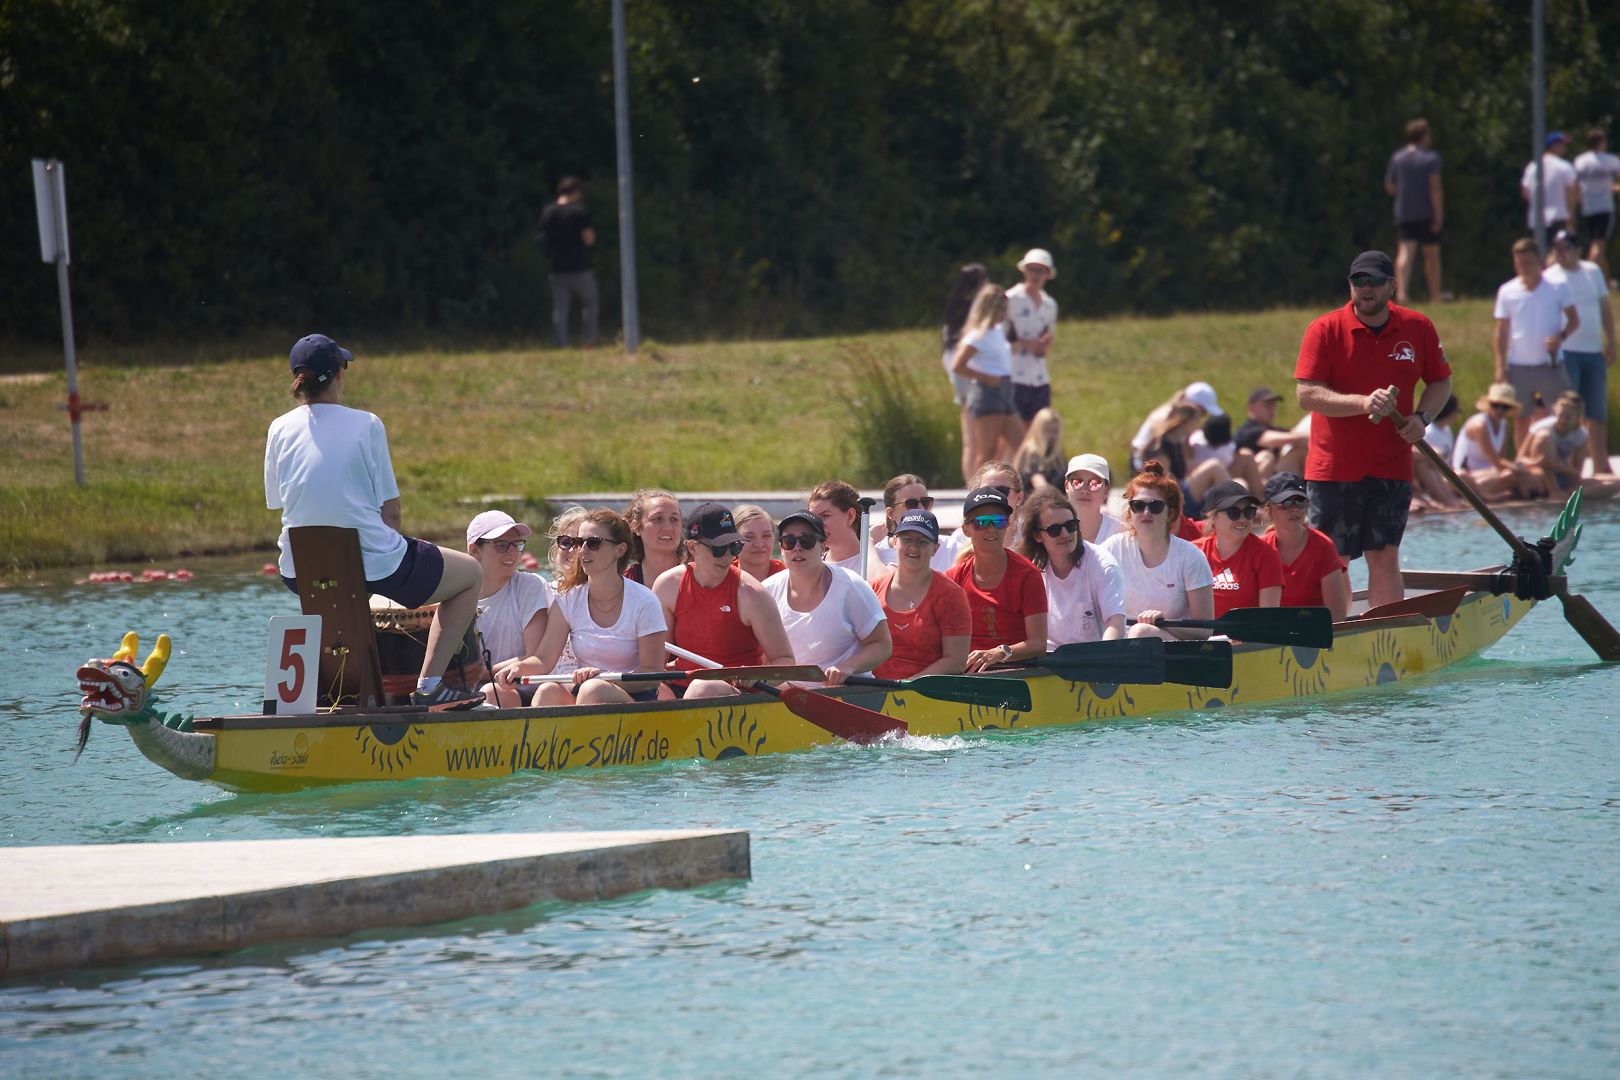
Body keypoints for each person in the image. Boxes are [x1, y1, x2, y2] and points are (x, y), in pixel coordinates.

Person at [265, 334, 483, 709]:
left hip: (300, 568)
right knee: (470, 575)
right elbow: (391, 513)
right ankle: (429, 686)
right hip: (369, 561)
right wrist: (388, 559)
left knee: (352, 584)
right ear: (339, 373)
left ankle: (338, 694)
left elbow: (279, 502)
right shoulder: (367, 424)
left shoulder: (278, 428)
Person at [1294, 250, 1453, 609]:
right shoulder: (1324, 329)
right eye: (1358, 281)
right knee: (1334, 559)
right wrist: (1364, 403)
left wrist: (1422, 418)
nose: (1366, 288)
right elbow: (1307, 395)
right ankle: (1334, 631)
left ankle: (1388, 631)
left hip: (1392, 464)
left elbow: (1441, 382)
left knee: (1384, 554)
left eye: (1375, 281)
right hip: (1334, 468)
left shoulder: (1418, 327)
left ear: (1391, 285)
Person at [499, 510, 667, 707]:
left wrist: (604, 679)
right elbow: (543, 660)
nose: (582, 550)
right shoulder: (568, 599)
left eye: (594, 543)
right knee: (547, 691)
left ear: (620, 550)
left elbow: (652, 674)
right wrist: (519, 668)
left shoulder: (645, 601)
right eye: (579, 543)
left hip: (635, 700)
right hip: (585, 692)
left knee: (592, 689)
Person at [652, 503, 796, 699]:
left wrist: (758, 676)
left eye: (733, 546)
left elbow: (785, 661)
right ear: (692, 547)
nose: (728, 555)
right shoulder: (667, 586)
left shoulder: (752, 594)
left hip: (736, 692)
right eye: (719, 548)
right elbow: (656, 662)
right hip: (680, 687)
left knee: (701, 689)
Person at [763, 510, 890, 686]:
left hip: (847, 692)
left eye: (807, 541)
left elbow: (882, 645)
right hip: (788, 694)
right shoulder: (766, 591)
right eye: (789, 541)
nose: (797, 547)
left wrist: (848, 667)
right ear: (781, 548)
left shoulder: (852, 586)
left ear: (823, 546)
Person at [1099, 464, 1215, 639]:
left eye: (1155, 506)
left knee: (1141, 631)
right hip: (1122, 645)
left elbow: (1204, 630)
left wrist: (1164, 623)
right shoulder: (1112, 549)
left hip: (1174, 647)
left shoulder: (1191, 557)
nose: (1146, 512)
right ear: (1130, 511)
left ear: (1170, 512)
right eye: (1138, 505)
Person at [946, 487, 1048, 671]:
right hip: (964, 675)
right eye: (982, 522)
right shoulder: (954, 578)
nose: (992, 528)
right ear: (966, 529)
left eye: (999, 521)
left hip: (1014, 674)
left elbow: (1038, 644)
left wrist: (999, 653)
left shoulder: (1028, 575)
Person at [1494, 237, 1578, 446]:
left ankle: (1562, 457)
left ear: (1539, 261)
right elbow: (1501, 332)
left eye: (1528, 263)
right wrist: (1500, 367)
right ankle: (1524, 461)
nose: (1523, 268)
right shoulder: (1507, 291)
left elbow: (1574, 320)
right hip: (1518, 365)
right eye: (1519, 263)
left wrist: (1560, 338)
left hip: (1550, 364)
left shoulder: (1557, 287)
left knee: (1562, 413)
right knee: (1520, 418)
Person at [869, 510, 972, 680]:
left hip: (925, 692)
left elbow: (955, 661)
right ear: (894, 542)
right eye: (907, 539)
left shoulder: (952, 595)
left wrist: (907, 685)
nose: (913, 547)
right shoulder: (873, 589)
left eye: (922, 542)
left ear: (935, 548)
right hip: (871, 689)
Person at [1015, 488, 1125, 646]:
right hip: (1045, 657)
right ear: (1037, 536)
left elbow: (1115, 624)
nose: (1065, 533)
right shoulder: (1031, 569)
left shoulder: (1103, 565)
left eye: (1071, 525)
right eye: (1054, 530)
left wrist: (1104, 654)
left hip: (1092, 657)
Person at [1543, 228, 1615, 465]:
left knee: (1597, 411)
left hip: (1593, 351)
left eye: (1565, 248)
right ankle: (1568, 465)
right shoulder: (1550, 275)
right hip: (1567, 352)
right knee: (1569, 410)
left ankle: (1600, 462)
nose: (1561, 253)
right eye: (1557, 249)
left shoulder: (1592, 271)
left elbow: (1604, 307)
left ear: (1578, 250)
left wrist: (1611, 342)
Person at [466, 510, 551, 707]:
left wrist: (481, 673)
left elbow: (534, 656)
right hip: (474, 687)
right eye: (502, 545)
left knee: (489, 693)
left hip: (522, 685)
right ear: (475, 550)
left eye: (516, 544)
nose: (513, 552)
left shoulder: (530, 586)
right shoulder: (457, 595)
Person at [951, 283, 1023, 476]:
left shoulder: (998, 331)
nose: (1004, 314)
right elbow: (957, 365)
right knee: (988, 451)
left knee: (1021, 445)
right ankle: (977, 489)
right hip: (988, 392)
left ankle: (1017, 485)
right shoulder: (977, 335)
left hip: (1005, 391)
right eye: (1001, 309)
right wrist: (986, 378)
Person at [1257, 473, 1350, 621]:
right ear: (1269, 511)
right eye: (1285, 504)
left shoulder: (1323, 546)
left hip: (1314, 629)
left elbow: (1336, 616)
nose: (1295, 509)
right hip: (1275, 630)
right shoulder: (1260, 549)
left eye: (1300, 501)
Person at [1192, 482, 1284, 619]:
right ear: (1213, 517)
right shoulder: (1194, 552)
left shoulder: (1266, 555)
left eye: (1248, 512)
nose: (1242, 519)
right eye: (1233, 512)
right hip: (1200, 632)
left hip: (1247, 632)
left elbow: (1268, 619)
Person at [1384, 118, 1445, 303]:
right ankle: (1435, 294)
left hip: (1405, 212)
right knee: (1431, 254)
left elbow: (1390, 186)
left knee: (1405, 253)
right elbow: (1434, 187)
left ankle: (1402, 294)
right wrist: (1438, 215)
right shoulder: (1431, 158)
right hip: (1426, 212)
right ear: (1424, 136)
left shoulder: (1398, 158)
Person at [941, 263, 990, 484]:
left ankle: (971, 485)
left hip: (962, 382)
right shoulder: (976, 317)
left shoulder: (952, 317)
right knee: (980, 441)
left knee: (970, 440)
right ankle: (976, 485)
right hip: (976, 380)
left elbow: (948, 357)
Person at [1521, 391, 1620, 499]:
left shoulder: (1580, 435)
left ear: (1577, 417)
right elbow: (1520, 459)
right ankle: (1554, 491)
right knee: (1544, 436)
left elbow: (1576, 473)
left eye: (1568, 417)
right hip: (1539, 474)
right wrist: (1537, 462)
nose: (1563, 421)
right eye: (1561, 416)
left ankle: (1569, 494)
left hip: (1561, 473)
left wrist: (1557, 467)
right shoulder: (1542, 427)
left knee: (1615, 483)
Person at [537, 176, 598, 348]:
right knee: (590, 302)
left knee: (560, 309)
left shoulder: (548, 212)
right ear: (576, 191)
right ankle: (589, 341)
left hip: (556, 268)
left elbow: (542, 238)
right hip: (580, 267)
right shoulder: (579, 212)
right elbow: (588, 239)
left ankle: (561, 344)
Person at [1451, 383, 1535, 502]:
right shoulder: (1480, 425)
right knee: (1512, 476)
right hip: (1467, 475)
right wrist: (1521, 470)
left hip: (1491, 473)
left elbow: (1501, 459)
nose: (1499, 410)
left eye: (1505, 407)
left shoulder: (1504, 425)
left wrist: (1522, 469)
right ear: (1489, 405)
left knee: (1521, 475)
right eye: (1495, 405)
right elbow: (1497, 462)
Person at [869, 474, 965, 575]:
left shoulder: (951, 548)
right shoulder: (875, 552)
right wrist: (868, 541)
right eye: (911, 503)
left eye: (926, 502)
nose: (921, 509)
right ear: (891, 513)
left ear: (935, 548)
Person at [1006, 248, 1058, 422]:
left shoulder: (1050, 304)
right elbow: (1001, 336)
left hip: (1039, 377)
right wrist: (1027, 344)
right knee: (1012, 431)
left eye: (1040, 270)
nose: (1035, 275)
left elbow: (1047, 336)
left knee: (1038, 430)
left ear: (1048, 274)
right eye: (1032, 269)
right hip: (1013, 375)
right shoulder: (1010, 299)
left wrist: (1045, 344)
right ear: (1024, 271)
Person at [1233, 387, 1308, 481]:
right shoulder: (1245, 431)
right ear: (1251, 408)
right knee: (1266, 457)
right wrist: (1309, 437)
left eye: (1273, 405)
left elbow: (1296, 435)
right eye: (1267, 405)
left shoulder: (1274, 430)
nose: (1272, 409)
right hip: (1251, 482)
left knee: (1299, 452)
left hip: (1271, 478)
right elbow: (1273, 439)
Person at [1574, 128, 1620, 277]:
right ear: (1602, 142)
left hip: (1587, 207)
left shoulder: (1580, 161)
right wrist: (1612, 188)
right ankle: (1585, 277)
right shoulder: (1611, 160)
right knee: (1598, 247)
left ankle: (1604, 283)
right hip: (1604, 207)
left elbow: (1575, 185)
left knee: (1598, 247)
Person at [1414, 394, 1468, 510]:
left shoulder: (1447, 430)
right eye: (1457, 412)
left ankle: (1449, 498)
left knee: (1462, 475)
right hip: (1429, 475)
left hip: (1440, 474)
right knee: (1426, 463)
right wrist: (1436, 454)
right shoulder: (1429, 431)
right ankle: (1445, 499)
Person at [1522, 132, 1580, 236]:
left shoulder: (1532, 166)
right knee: (1560, 246)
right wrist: (1570, 213)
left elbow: (1525, 191)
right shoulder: (1564, 166)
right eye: (1562, 145)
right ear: (1554, 146)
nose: (1564, 148)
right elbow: (1571, 189)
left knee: (1539, 245)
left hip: (1536, 219)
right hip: (1558, 217)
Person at [624, 488, 684, 585]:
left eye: (674, 519)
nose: (668, 527)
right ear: (636, 527)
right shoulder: (624, 584)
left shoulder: (700, 578)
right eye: (657, 519)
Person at [1064, 452, 1124, 546]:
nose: (1085, 490)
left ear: (1106, 490)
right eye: (1077, 482)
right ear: (1067, 486)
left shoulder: (1122, 533)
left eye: (1095, 483)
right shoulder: (1052, 531)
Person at [808, 479, 866, 573]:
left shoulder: (879, 558)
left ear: (850, 516)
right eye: (813, 517)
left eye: (825, 515)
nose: (816, 524)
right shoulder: (811, 566)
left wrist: (869, 542)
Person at [1011, 406, 1066, 493]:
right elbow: (1038, 482)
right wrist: (1054, 497)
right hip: (1034, 496)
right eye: (1048, 431)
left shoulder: (1056, 453)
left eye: (1055, 431)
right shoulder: (1032, 452)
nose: (1052, 436)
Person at [733, 503, 786, 582]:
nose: (759, 544)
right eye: (749, 537)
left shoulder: (789, 579)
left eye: (766, 536)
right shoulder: (720, 577)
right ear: (733, 540)